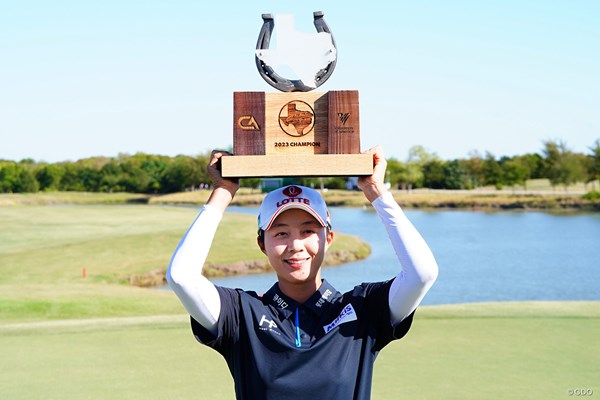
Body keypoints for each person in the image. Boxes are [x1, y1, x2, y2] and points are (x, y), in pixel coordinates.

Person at [167, 146, 438, 400]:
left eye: (308, 231)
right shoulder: (240, 314)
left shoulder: (363, 308)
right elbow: (181, 276)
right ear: (262, 244)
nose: (295, 245)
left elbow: (422, 273)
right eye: (281, 233)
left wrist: (376, 192)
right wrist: (223, 191)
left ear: (329, 237)